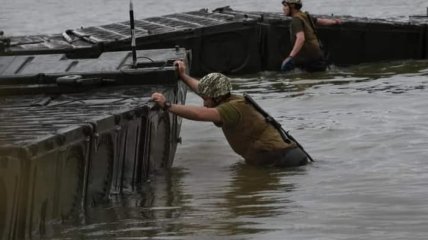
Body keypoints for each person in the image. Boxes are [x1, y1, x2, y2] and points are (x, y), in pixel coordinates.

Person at [151, 60, 309, 168]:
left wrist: (167, 105)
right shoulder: (225, 98)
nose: (203, 101)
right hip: (279, 158)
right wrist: (183, 75)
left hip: (284, 161)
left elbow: (200, 114)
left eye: (206, 99)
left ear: (217, 97)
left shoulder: (231, 109)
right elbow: (202, 90)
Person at [281, 0, 342, 72]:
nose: (283, 8)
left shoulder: (296, 20)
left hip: (307, 57)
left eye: (285, 5)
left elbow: (301, 38)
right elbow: (320, 21)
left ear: (292, 6)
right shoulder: (305, 15)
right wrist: (334, 22)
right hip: (317, 54)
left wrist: (290, 57)